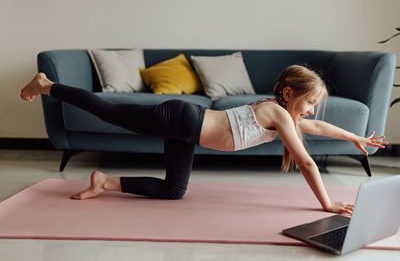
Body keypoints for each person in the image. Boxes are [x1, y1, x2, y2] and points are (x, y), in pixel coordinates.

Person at [20, 65, 388, 215]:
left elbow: (320, 129)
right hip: (183, 118)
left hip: (187, 131)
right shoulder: (277, 113)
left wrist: (356, 136)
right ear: (289, 94)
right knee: (108, 110)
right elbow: (306, 161)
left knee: (174, 191)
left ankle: (106, 181)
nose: (311, 112)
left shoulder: (284, 117)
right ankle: (47, 85)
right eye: (309, 103)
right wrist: (326, 203)